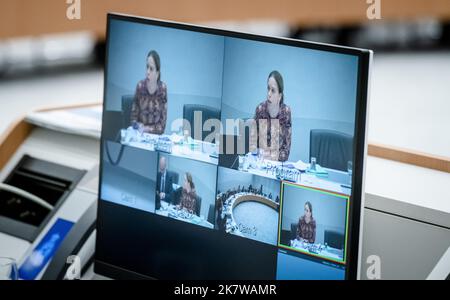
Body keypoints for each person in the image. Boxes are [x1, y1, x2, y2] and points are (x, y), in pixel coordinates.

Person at [252, 71, 292, 162]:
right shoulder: (260, 109)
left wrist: (273, 156)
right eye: (268, 89)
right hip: (260, 163)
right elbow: (252, 144)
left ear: (279, 96)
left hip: (276, 166)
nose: (269, 94)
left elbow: (286, 150)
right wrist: (260, 153)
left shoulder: (286, 113)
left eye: (273, 90)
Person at [130, 50, 168, 134]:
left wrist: (146, 129)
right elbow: (133, 118)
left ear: (157, 73)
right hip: (139, 135)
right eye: (147, 67)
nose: (147, 72)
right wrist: (138, 126)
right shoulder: (140, 86)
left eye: (151, 69)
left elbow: (162, 126)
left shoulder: (163, 89)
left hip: (155, 137)